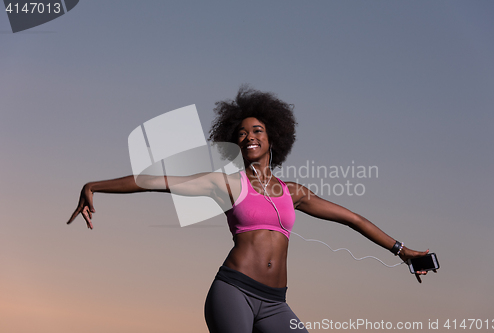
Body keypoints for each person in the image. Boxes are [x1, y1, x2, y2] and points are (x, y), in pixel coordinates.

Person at [67, 86, 433, 333]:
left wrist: (402, 252)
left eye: (257, 129)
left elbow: (353, 219)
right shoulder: (227, 184)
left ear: (273, 137)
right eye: (241, 133)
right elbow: (161, 180)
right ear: (234, 143)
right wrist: (94, 185)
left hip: (277, 303)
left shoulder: (294, 193)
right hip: (233, 292)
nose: (249, 136)